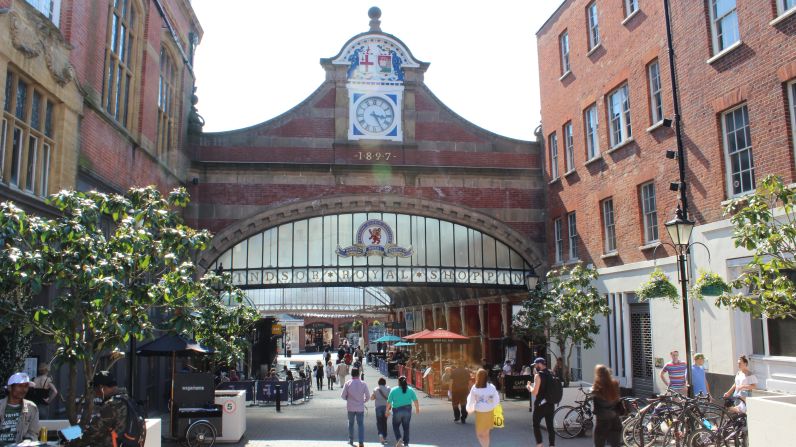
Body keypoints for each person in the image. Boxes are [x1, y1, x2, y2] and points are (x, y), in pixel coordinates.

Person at [72, 371, 129, 447]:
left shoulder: (112, 406)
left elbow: (92, 432)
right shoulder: (127, 400)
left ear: (101, 388)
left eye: (95, 390)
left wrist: (69, 440)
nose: (96, 394)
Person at [0, 372, 40, 445]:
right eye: (20, 386)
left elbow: (33, 433)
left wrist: (27, 442)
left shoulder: (31, 408)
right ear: (9, 387)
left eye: (26, 386)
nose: (24, 389)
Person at [466, 369, 500, 447]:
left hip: (480, 412)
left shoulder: (475, 387)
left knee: (479, 433)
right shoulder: (492, 387)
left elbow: (471, 399)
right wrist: (492, 406)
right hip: (489, 411)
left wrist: (469, 409)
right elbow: (496, 399)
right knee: (486, 433)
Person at [527, 357, 555, 447]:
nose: (535, 367)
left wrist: (528, 387)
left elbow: (535, 392)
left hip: (540, 405)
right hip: (550, 404)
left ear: (539, 364)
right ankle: (552, 445)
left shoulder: (538, 376)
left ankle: (539, 444)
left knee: (536, 424)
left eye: (535, 365)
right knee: (550, 427)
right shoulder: (551, 373)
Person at [591, 365, 622, 447]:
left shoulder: (596, 388)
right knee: (615, 445)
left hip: (602, 422)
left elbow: (595, 409)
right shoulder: (615, 385)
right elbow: (618, 401)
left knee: (599, 444)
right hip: (615, 420)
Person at [386, 376, 420, 447]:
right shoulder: (410, 390)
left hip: (397, 410)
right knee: (406, 427)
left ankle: (399, 439)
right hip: (407, 410)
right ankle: (406, 443)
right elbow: (415, 400)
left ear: (398, 382)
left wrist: (387, 411)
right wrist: (417, 409)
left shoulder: (393, 390)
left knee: (395, 426)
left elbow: (389, 402)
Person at [341, 368, 369, 447]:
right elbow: (368, 396)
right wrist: (363, 401)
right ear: (359, 374)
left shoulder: (348, 383)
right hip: (360, 407)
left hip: (350, 407)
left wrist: (348, 399)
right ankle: (361, 442)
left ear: (351, 374)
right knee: (360, 424)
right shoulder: (363, 384)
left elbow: (343, 396)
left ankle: (351, 440)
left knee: (351, 423)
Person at [371, 377, 391, 444]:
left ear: (378, 383)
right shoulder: (388, 389)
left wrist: (375, 396)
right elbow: (390, 398)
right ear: (385, 383)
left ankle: (380, 435)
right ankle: (385, 437)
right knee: (384, 422)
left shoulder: (375, 389)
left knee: (379, 422)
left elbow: (372, 398)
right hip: (386, 408)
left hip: (378, 408)